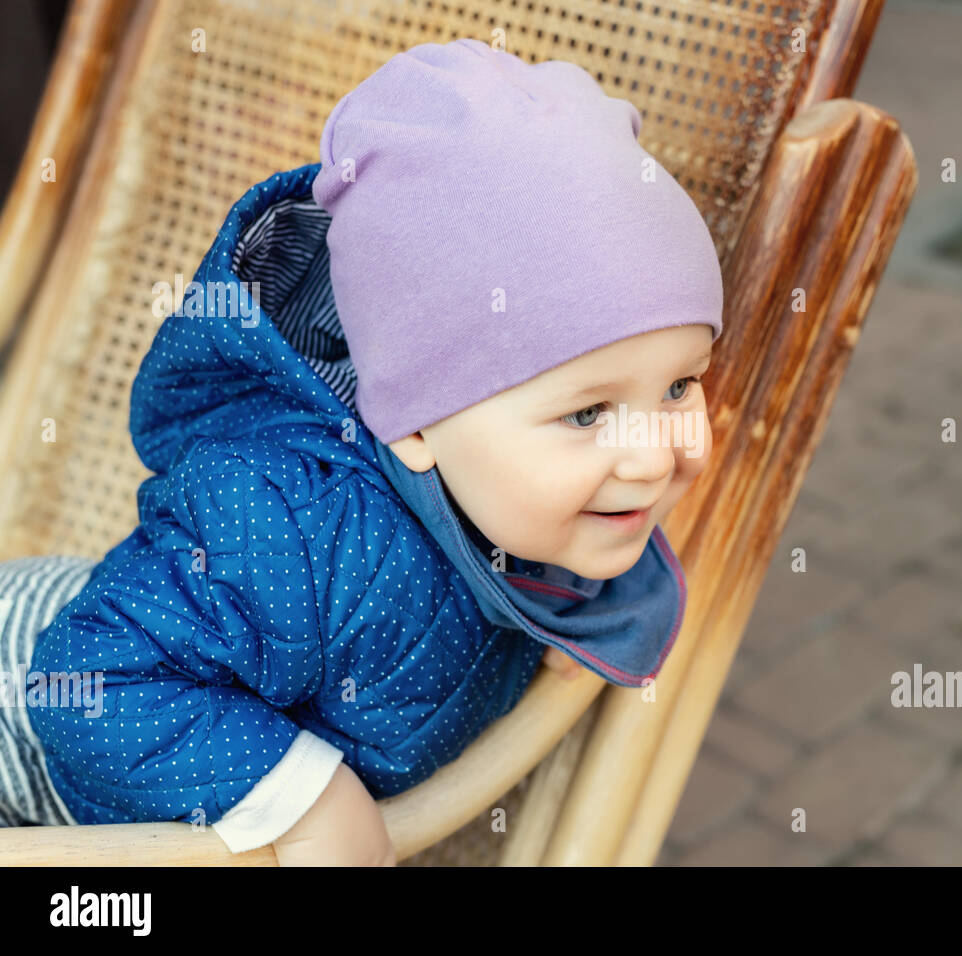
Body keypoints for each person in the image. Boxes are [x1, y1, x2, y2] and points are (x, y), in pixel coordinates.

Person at [3, 37, 724, 865]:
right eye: (589, 412)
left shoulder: (546, 513)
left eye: (679, 386)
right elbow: (90, 683)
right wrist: (305, 799)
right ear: (413, 422)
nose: (651, 456)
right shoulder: (295, 525)